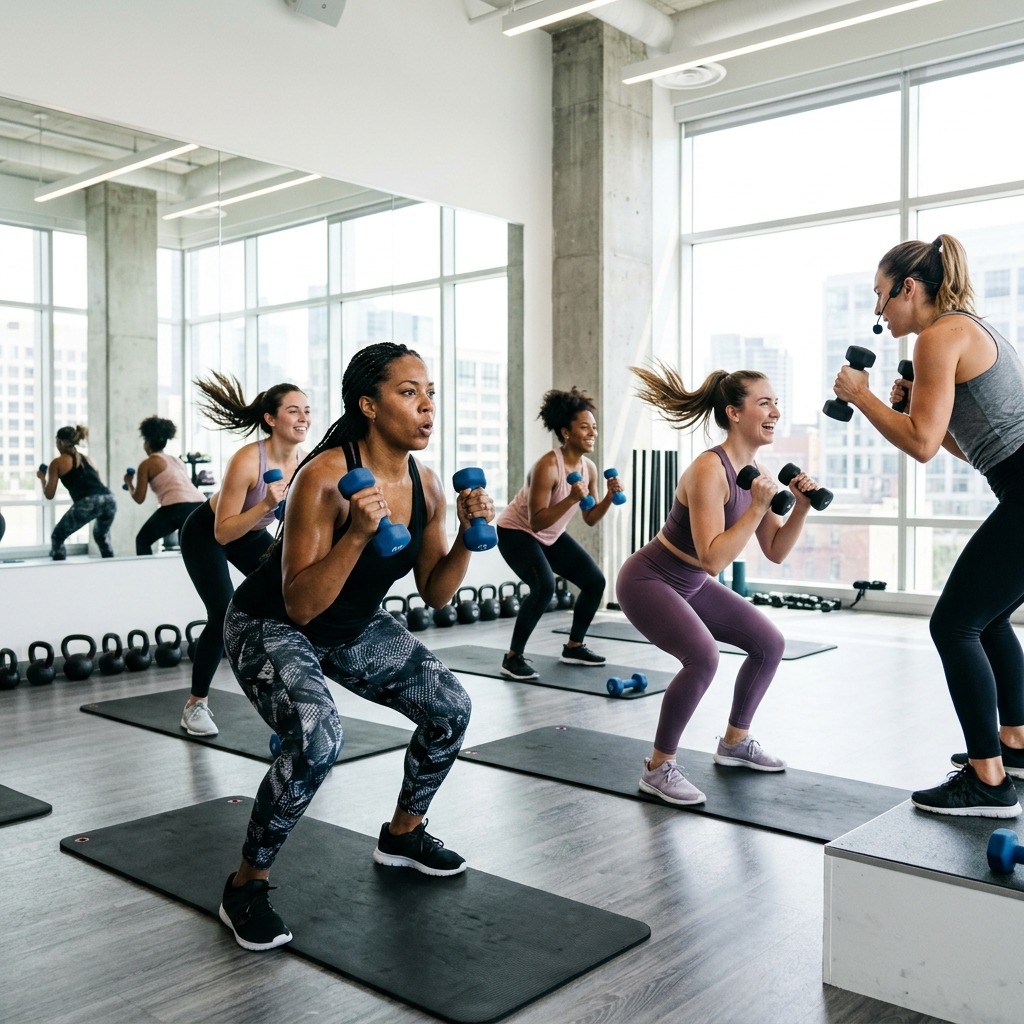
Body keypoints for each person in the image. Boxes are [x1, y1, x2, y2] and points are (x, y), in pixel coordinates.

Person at [217, 341, 490, 952]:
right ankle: (245, 884)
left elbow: (435, 591)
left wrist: (470, 540)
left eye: (430, 393)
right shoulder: (322, 477)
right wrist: (359, 534)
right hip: (270, 623)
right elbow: (300, 605)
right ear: (369, 405)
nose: (426, 407)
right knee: (317, 737)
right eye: (408, 392)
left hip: (355, 623)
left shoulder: (426, 484)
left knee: (450, 708)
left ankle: (402, 835)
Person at [832, 233, 1024, 819]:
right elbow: (961, 448)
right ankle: (1014, 745)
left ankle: (988, 783)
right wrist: (913, 406)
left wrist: (863, 398)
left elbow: (918, 445)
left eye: (881, 296)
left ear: (909, 288)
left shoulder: (940, 336)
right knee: (985, 621)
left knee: (952, 625)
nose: (878, 310)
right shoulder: (969, 328)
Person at [615, 365, 818, 806]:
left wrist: (798, 508)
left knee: (769, 643)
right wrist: (758, 506)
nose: (775, 412)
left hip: (690, 583)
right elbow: (712, 558)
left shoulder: (754, 473)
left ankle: (734, 742)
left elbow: (776, 550)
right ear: (734, 412)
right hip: (650, 578)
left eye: (776, 402)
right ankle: (657, 768)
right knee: (703, 657)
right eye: (764, 403)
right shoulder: (710, 469)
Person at [178, 375, 310, 738]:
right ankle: (195, 705)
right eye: (293, 410)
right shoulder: (248, 460)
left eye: (307, 411)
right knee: (222, 613)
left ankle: (291, 704)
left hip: (250, 534)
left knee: (289, 601)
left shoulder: (304, 462)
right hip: (207, 532)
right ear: (271, 419)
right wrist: (268, 503)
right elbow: (223, 532)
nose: (303, 418)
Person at [494, 386, 620, 681]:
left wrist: (608, 499)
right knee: (544, 587)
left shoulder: (588, 468)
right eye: (584, 427)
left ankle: (574, 646)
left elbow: (590, 518)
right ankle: (512, 658)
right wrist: (571, 498)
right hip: (516, 531)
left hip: (550, 535)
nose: (592, 433)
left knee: (594, 581)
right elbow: (535, 521)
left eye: (594, 428)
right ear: (565, 432)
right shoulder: (548, 467)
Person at [124, 416, 205, 555]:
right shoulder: (177, 461)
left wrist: (129, 483)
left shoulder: (147, 463)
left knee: (143, 540)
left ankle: (147, 576)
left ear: (147, 443)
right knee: (187, 550)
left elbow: (139, 498)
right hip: (200, 505)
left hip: (177, 507)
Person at [37, 425, 116, 560]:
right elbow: (97, 482)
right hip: (109, 499)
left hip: (89, 501)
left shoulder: (57, 463)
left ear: (60, 442)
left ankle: (58, 574)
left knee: (58, 536)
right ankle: (111, 568)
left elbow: (49, 495)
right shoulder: (88, 459)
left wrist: (42, 479)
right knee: (101, 537)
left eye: (57, 441)